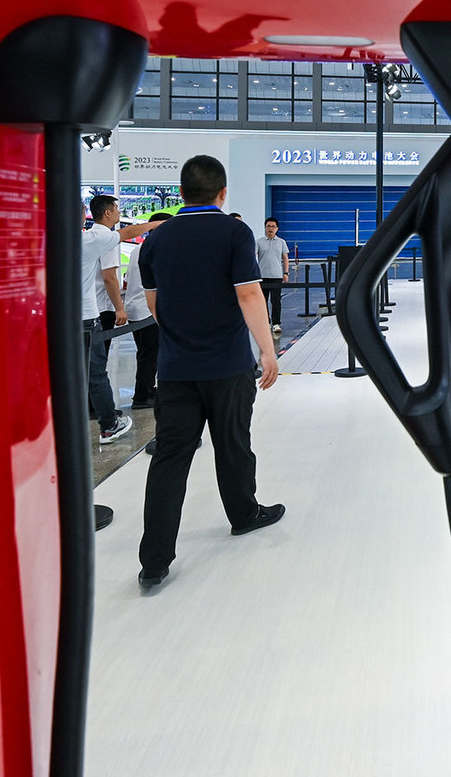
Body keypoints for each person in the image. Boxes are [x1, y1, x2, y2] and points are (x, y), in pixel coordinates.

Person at [136, 155, 284, 591]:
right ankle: (244, 514)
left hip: (176, 369)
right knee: (233, 444)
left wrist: (181, 337)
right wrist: (268, 351)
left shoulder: (156, 239)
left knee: (169, 458)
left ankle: (154, 560)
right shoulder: (234, 233)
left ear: (181, 193)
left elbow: (154, 304)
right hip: (228, 365)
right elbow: (249, 295)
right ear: (222, 193)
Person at [80, 196, 160, 531]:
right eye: (115, 210)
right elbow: (126, 240)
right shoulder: (96, 238)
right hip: (88, 316)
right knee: (96, 371)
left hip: (71, 314)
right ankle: (109, 423)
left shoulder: (68, 240)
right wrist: (163, 224)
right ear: (107, 213)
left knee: (85, 371)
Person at [124, 212, 175, 409]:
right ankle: (142, 396)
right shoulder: (157, 249)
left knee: (146, 353)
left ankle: (147, 389)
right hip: (147, 310)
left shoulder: (139, 249)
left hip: (136, 307)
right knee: (149, 355)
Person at [255, 217, 290, 334]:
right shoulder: (258, 242)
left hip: (276, 276)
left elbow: (285, 258)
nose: (270, 228)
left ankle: (276, 323)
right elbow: (253, 256)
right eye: (268, 226)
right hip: (262, 276)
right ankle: (265, 321)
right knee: (262, 301)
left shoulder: (281, 242)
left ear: (277, 228)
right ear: (265, 227)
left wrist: (285, 273)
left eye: (273, 226)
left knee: (276, 301)